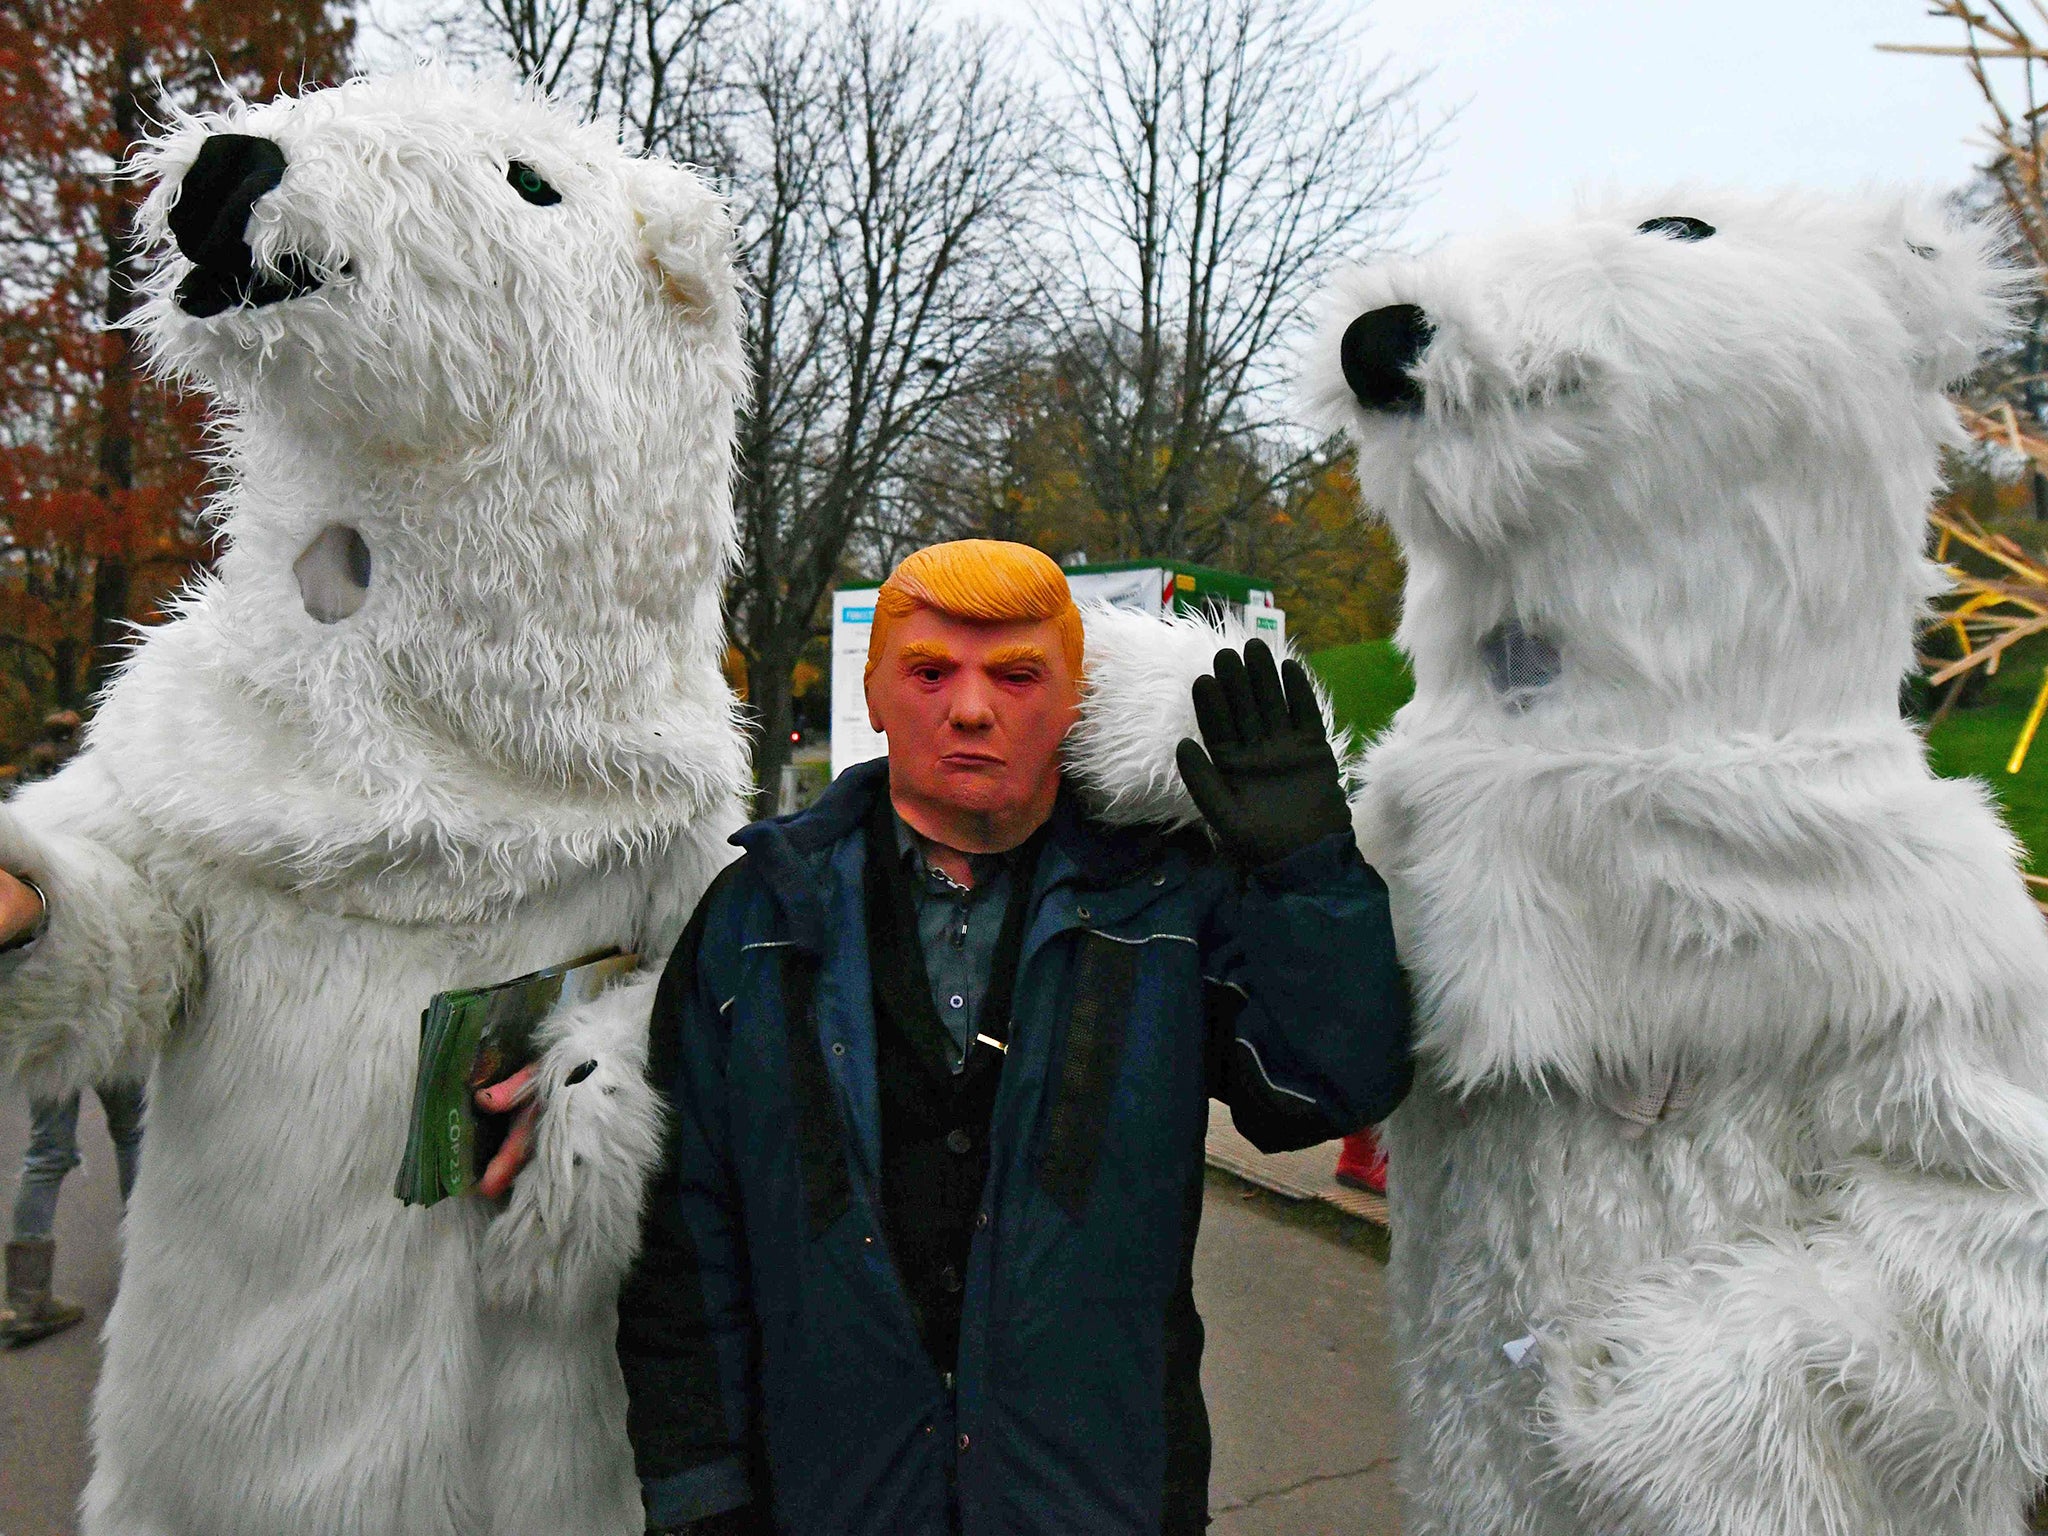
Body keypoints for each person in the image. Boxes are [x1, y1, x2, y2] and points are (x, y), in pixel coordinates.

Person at [616, 540, 1412, 1535]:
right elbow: (684, 1236)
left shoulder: (1161, 905)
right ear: (872, 694)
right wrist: (699, 1496)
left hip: (1093, 1496)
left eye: (1016, 675)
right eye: (929, 672)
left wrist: (1306, 877)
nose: (970, 708)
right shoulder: (755, 917)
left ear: (1071, 701)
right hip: (831, 1498)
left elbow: (1325, 1090)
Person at [1, 705, 145, 1347]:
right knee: (132, 1134)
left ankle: (25, 1296)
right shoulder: (110, 795)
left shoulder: (31, 804)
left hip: (48, 1003)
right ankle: (143, 1277)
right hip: (108, 995)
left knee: (47, 1152)